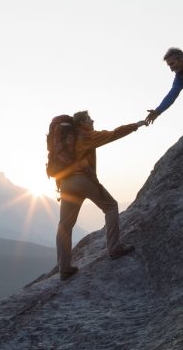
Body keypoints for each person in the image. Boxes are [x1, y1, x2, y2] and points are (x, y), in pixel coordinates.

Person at [56, 111, 144, 281]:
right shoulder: (86, 135)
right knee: (111, 207)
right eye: (89, 119)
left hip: (65, 184)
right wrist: (136, 125)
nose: (93, 120)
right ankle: (113, 248)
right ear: (82, 122)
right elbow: (113, 134)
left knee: (64, 226)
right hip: (82, 179)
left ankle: (64, 268)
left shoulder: (67, 139)